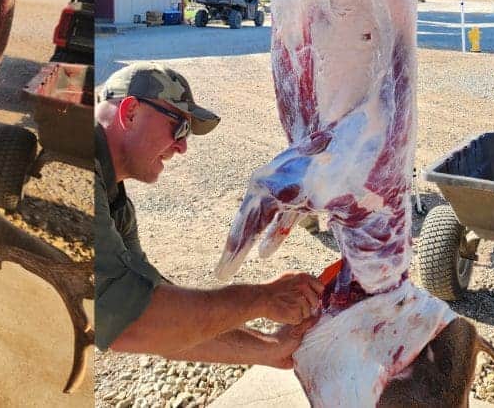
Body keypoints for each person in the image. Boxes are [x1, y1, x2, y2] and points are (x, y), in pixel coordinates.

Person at [94, 62, 324, 367]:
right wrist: (263, 299)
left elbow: (160, 320)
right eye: (179, 126)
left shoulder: (116, 204)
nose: (183, 146)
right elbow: (133, 323)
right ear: (130, 112)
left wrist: (270, 349)